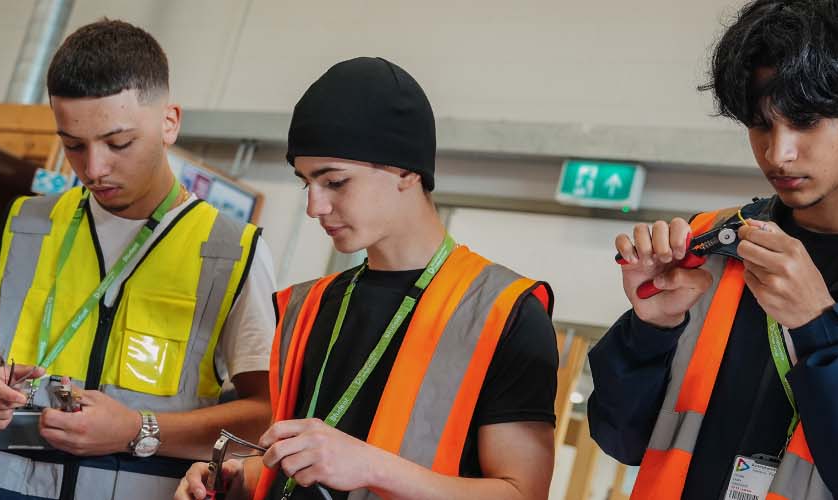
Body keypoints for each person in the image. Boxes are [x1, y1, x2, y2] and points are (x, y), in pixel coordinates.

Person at [586, 1, 838, 498]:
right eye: (761, 124)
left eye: (805, 121)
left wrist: (819, 329)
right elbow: (620, 438)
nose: (777, 153)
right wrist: (650, 331)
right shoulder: (711, 242)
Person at [175, 57, 559, 500]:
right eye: (306, 183)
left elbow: (521, 493)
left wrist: (371, 466)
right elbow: (302, 468)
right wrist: (238, 477)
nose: (314, 206)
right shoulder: (308, 307)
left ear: (406, 170)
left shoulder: (503, 311)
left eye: (335, 182)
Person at [0, 19, 277, 499]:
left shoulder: (230, 250)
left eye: (118, 143)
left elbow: (265, 414)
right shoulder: (27, 225)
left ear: (170, 122)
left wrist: (139, 429)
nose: (94, 168)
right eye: (73, 146)